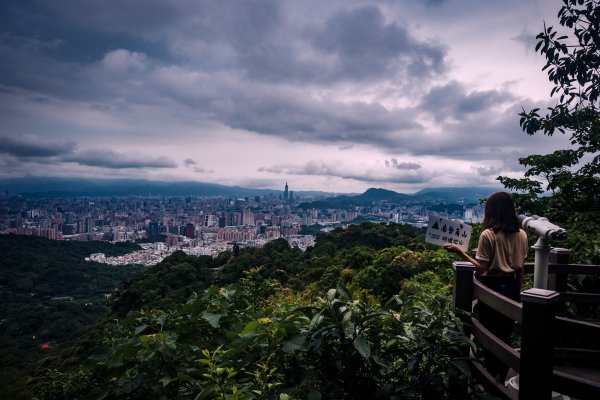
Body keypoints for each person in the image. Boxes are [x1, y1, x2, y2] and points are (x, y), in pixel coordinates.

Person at [444, 191, 528, 382]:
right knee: (504, 336)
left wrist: (460, 252)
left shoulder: (488, 234)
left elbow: (482, 269)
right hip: (512, 287)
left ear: (491, 211)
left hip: (492, 288)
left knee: (488, 336)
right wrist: (518, 291)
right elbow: (521, 268)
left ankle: (489, 380)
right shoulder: (522, 234)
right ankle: (501, 376)